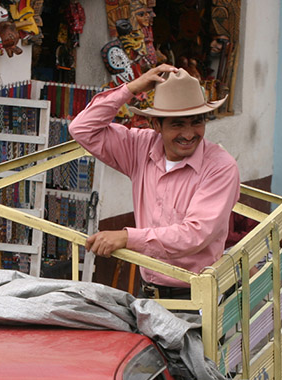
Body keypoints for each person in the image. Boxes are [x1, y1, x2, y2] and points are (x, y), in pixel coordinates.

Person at [69, 64, 239, 299]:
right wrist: (131, 88)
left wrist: (127, 237)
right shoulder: (140, 147)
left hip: (196, 295)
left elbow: (196, 234)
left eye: (197, 122)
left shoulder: (220, 166)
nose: (189, 134)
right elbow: (82, 128)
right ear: (155, 125)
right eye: (178, 124)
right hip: (148, 291)